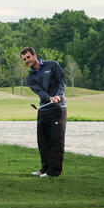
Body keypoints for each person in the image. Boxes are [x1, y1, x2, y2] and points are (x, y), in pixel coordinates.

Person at [20, 47, 67, 177]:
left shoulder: (52, 65)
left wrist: (58, 95)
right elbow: (40, 92)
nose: (27, 61)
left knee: (56, 141)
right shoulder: (30, 78)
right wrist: (49, 98)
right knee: (43, 141)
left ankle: (54, 171)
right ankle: (45, 168)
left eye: (28, 57)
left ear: (35, 55)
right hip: (43, 108)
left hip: (58, 108)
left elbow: (62, 82)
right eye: (24, 59)